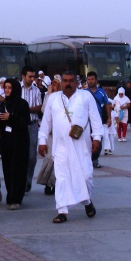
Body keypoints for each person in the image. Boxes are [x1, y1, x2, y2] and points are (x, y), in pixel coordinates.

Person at [38, 71, 102, 223]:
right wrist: (42, 141)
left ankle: (87, 202)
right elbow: (46, 122)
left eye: (71, 80)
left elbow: (95, 119)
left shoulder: (85, 97)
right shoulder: (53, 98)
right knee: (61, 179)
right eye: (65, 81)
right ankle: (62, 211)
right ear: (61, 83)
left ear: (77, 83)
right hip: (60, 147)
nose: (68, 83)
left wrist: (97, 138)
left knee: (85, 176)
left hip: (82, 147)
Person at [0, 78, 30, 210]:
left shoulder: (22, 104)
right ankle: (10, 195)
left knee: (18, 169)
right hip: (6, 141)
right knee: (7, 169)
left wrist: (11, 117)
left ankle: (17, 197)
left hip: (20, 141)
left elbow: (25, 121)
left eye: (10, 88)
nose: (7, 90)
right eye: (5, 87)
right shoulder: (2, 104)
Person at [20, 66, 43, 192]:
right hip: (19, 125)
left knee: (32, 156)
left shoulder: (36, 91)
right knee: (20, 155)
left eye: (33, 76)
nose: (32, 79)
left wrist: (25, 109)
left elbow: (39, 107)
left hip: (32, 124)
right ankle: (21, 180)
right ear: (23, 76)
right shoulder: (17, 88)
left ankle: (28, 180)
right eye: (29, 76)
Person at [85, 71, 112, 168]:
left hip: (98, 120)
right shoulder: (84, 92)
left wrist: (109, 118)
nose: (90, 81)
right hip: (86, 122)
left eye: (92, 79)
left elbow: (107, 104)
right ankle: (87, 160)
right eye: (88, 79)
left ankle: (95, 159)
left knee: (98, 141)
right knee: (87, 140)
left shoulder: (101, 92)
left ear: (96, 80)